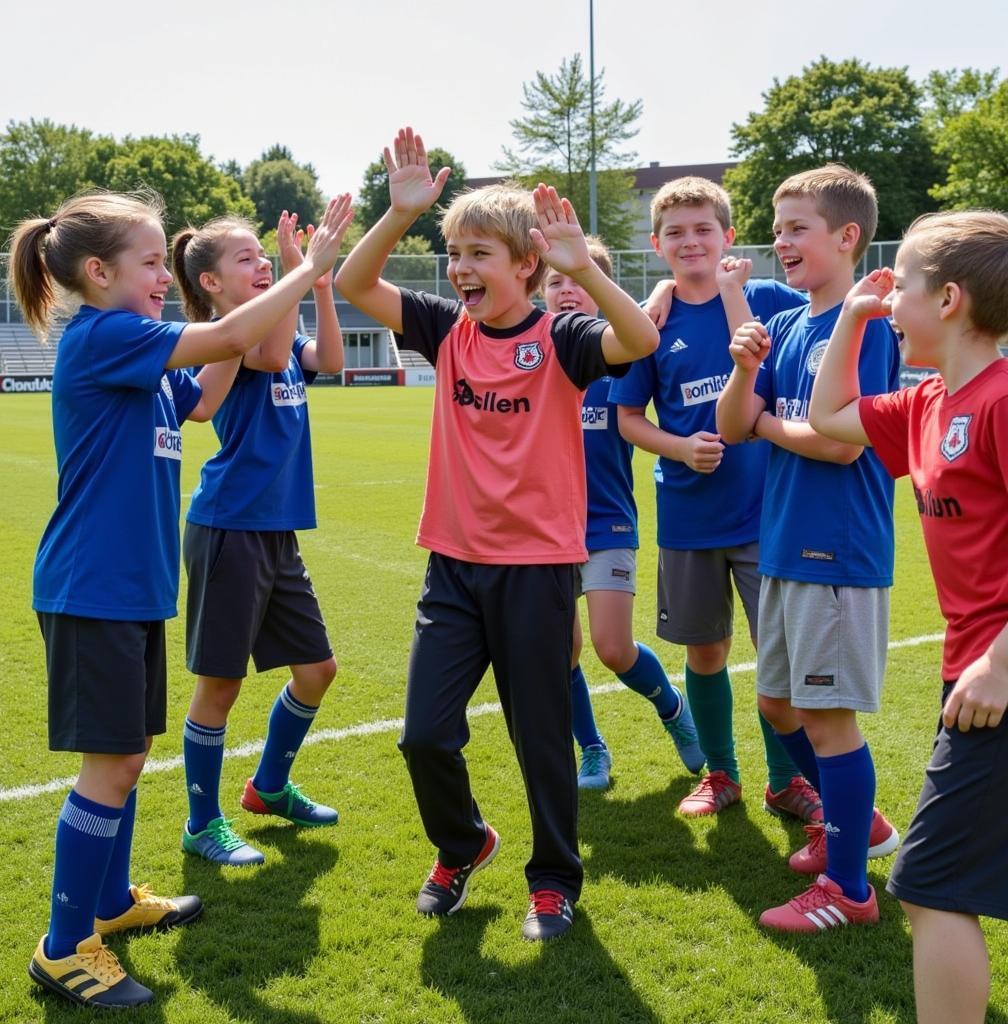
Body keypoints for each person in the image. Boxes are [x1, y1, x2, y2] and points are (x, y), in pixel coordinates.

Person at [8, 189, 350, 1008]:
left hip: (127, 589)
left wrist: (241, 302)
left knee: (127, 755)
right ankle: (64, 948)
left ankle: (113, 902)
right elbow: (231, 338)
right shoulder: (104, 334)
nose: (165, 275)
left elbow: (203, 395)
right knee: (115, 763)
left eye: (168, 261)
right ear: (97, 272)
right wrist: (305, 272)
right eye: (151, 262)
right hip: (93, 587)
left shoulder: (136, 347)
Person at [335, 127, 658, 941]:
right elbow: (353, 280)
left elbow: (640, 342)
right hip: (454, 569)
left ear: (527, 266)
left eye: (479, 253)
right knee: (424, 736)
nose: (461, 269)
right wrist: (399, 214)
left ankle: (552, 881)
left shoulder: (563, 339)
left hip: (540, 573)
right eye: (454, 253)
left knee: (541, 739)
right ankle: (465, 843)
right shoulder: (447, 329)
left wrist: (584, 268)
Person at [808, 211, 1008, 1021]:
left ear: (951, 299)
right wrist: (854, 318)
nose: (893, 298)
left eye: (906, 285)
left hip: (993, 680)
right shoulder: (927, 402)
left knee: (927, 884)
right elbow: (829, 418)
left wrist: (1001, 660)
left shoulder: (998, 401)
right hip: (971, 672)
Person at [715, 165, 901, 932]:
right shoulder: (789, 326)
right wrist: (744, 371)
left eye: (797, 228)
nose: (780, 242)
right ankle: (862, 827)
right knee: (776, 702)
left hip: (837, 548)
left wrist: (763, 423)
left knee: (827, 719)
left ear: (847, 236)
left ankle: (850, 890)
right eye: (778, 227)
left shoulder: (866, 328)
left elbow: (841, 446)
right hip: (786, 543)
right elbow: (731, 426)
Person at [610, 177, 817, 819]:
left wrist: (731, 294)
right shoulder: (652, 324)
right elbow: (627, 417)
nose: (690, 241)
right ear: (656, 245)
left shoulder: (770, 296)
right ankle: (720, 772)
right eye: (676, 232)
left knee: (778, 657)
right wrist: (677, 448)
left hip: (769, 514)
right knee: (706, 650)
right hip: (689, 514)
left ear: (728, 237)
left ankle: (785, 780)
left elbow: (768, 359)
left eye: (704, 229)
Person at [173, 203, 350, 866]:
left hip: (276, 531)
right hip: (229, 527)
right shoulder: (231, 333)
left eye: (261, 256)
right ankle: (201, 822)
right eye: (245, 259)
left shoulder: (276, 313)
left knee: (317, 670)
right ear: (212, 283)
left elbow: (326, 358)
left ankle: (268, 787)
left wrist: (320, 285)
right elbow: (273, 352)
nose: (261, 265)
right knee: (220, 685)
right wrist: (304, 271)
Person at [542, 237, 703, 791]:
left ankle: (672, 707)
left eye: (577, 281)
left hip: (607, 521)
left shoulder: (621, 358)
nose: (566, 291)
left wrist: (658, 287)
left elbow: (646, 322)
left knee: (612, 648)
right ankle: (592, 750)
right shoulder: (535, 357)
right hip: (543, 531)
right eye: (554, 283)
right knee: (560, 651)